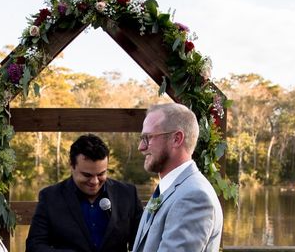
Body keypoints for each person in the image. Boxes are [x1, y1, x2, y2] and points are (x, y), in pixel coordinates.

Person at [26, 133, 143, 252]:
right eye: (87, 175)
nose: (95, 181)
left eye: (101, 174)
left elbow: (143, 243)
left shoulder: (128, 194)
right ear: (72, 166)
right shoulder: (50, 197)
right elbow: (34, 246)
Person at [131, 103, 223, 252]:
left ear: (176, 139)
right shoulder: (170, 188)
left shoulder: (194, 196)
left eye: (148, 138)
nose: (141, 147)